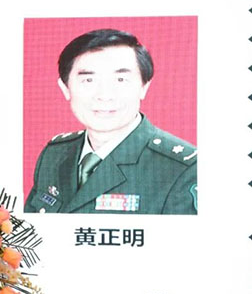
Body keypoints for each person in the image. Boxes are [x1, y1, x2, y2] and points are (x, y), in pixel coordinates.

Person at [24, 29, 197, 214]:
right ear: (65, 88)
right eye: (88, 80)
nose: (105, 95)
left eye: (121, 79)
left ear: (144, 87)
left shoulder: (183, 169)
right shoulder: (54, 155)